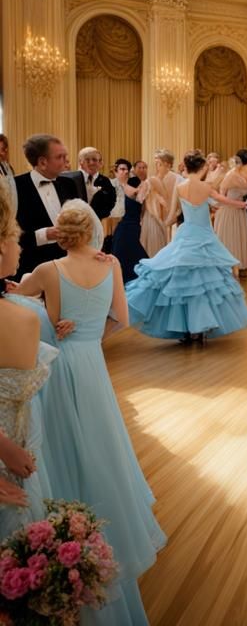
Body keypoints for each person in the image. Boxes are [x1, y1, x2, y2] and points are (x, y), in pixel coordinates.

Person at [11, 201, 166, 624]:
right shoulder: (110, 264)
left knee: (64, 442)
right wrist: (94, 338)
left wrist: (50, 319)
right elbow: (123, 319)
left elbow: (15, 304)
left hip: (60, 365)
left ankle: (70, 512)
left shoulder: (48, 270)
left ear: (61, 234)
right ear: (92, 232)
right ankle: (107, 522)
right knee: (100, 439)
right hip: (92, 363)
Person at [126, 150, 247, 344]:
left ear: (187, 167)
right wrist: (242, 204)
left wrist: (162, 224)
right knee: (204, 283)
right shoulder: (205, 187)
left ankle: (186, 328)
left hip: (185, 235)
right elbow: (222, 201)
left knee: (183, 281)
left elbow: (172, 214)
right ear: (202, 167)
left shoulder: (180, 187)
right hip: (204, 237)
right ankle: (200, 327)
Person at [0, 189, 54, 536]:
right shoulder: (22, 320)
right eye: (15, 237)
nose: (20, 247)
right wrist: (5, 449)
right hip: (15, 447)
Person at [13, 134, 77, 279]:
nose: (66, 160)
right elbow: (8, 234)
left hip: (67, 266)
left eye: (65, 156)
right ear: (42, 162)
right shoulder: (14, 187)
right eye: (60, 157)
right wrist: (44, 235)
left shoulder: (69, 184)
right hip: (31, 269)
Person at [214, 150, 247, 273]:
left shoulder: (243, 173)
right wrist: (236, 203)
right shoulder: (231, 174)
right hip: (229, 211)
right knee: (230, 238)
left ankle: (237, 266)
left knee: (238, 239)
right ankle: (228, 266)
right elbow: (222, 193)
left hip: (240, 211)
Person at [110, 157, 148, 283]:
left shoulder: (136, 183)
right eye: (122, 169)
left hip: (134, 227)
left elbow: (137, 195)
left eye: (127, 169)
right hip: (122, 228)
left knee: (136, 259)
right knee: (120, 258)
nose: (125, 171)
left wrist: (123, 184)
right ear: (116, 172)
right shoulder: (113, 187)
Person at [61, 146, 117, 221]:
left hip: (98, 220)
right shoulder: (71, 179)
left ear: (101, 163)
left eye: (95, 160)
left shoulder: (105, 181)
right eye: (88, 160)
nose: (92, 163)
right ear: (80, 161)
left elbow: (111, 202)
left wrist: (95, 217)